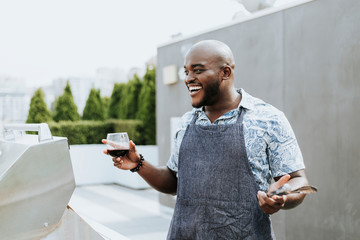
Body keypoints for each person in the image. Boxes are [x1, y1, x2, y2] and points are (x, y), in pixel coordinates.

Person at [102, 40, 309, 239]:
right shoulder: (186, 123)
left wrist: (283, 197)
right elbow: (175, 182)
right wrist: (138, 164)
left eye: (198, 70)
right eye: (186, 71)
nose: (188, 78)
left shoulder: (268, 119)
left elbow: (299, 180)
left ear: (225, 72)